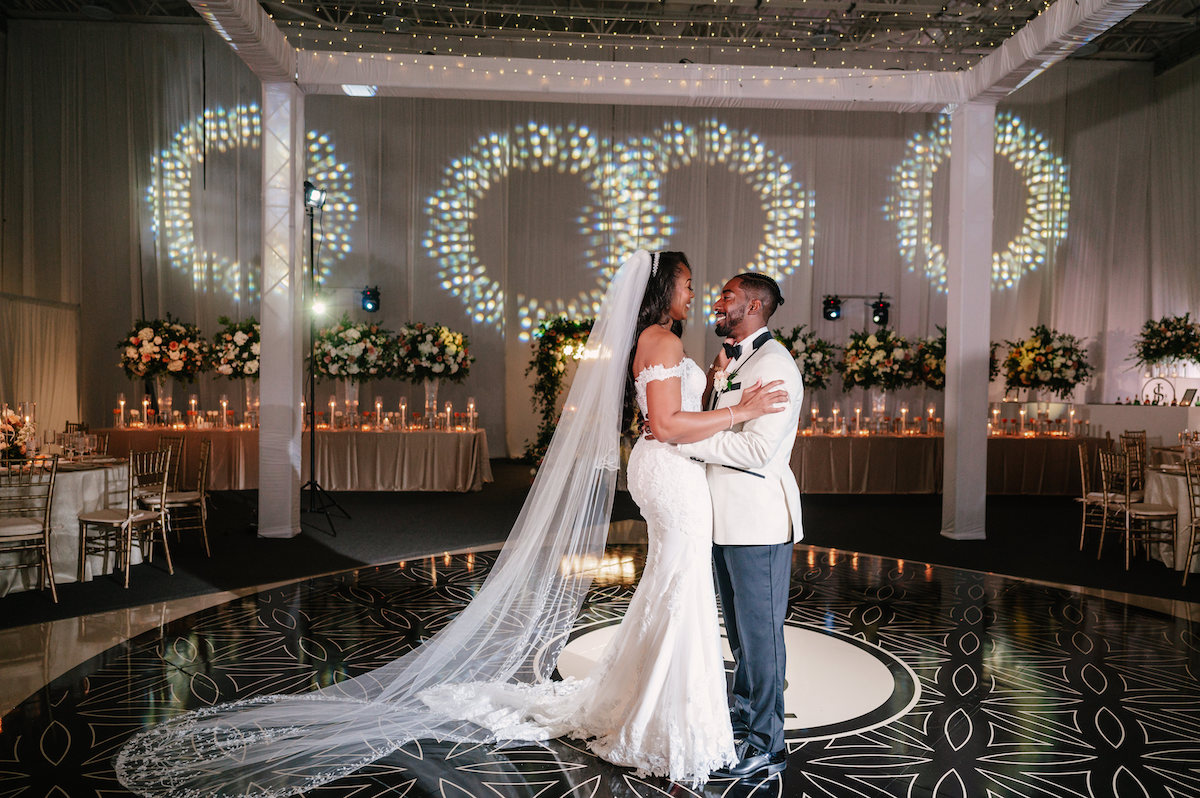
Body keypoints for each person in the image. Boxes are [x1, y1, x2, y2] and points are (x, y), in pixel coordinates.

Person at [114, 250, 787, 796]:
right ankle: (665, 720)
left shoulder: (660, 340)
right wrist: (740, 408)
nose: (698, 298)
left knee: (675, 583)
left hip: (664, 469)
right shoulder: (662, 336)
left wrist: (720, 382)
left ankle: (657, 704)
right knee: (679, 583)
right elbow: (668, 425)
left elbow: (665, 414)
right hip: (671, 473)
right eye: (692, 286)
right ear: (665, 287)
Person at [673, 272, 803, 779]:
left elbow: (755, 450)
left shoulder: (774, 365)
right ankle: (745, 717)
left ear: (752, 305)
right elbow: (725, 419)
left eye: (726, 295)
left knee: (762, 637)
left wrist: (682, 440)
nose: (717, 302)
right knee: (742, 638)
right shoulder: (737, 357)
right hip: (724, 521)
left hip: (758, 523)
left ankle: (769, 743)